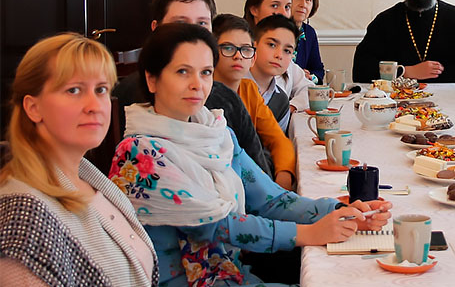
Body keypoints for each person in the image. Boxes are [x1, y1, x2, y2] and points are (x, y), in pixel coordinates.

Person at [110, 23, 391, 286]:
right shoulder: (138, 152)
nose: (198, 84)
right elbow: (214, 227)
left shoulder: (216, 132)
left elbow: (273, 200)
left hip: (231, 274)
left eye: (206, 72)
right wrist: (309, 233)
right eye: (183, 71)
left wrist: (342, 211)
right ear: (152, 79)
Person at [0, 34, 157, 286]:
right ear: (33, 107)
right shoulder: (24, 216)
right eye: (74, 90)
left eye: (101, 89)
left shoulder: (89, 179)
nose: (94, 105)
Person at [113, 0, 273, 176]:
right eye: (180, 23)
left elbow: (258, 169)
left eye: (202, 24)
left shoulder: (226, 98)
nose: (192, 34)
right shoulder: (126, 98)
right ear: (156, 29)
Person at [212, 14, 296, 190]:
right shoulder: (203, 93)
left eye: (245, 49)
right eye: (228, 48)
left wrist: (284, 176)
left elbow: (278, 140)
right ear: (211, 53)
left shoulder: (249, 89)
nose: (238, 56)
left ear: (253, 58)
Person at [244, 0, 313, 117]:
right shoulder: (239, 54)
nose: (283, 13)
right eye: (275, 6)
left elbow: (309, 89)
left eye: (287, 7)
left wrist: (291, 107)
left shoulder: (283, 54)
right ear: (254, 9)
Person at [246, 14, 307, 134]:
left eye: (287, 51)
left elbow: (275, 145)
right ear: (254, 44)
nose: (279, 55)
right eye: (272, 45)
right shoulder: (234, 87)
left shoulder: (281, 101)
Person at [285, 0, 325, 85]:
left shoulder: (309, 32)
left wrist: (310, 77)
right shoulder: (276, 31)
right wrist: (298, 75)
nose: (303, 4)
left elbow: (318, 70)